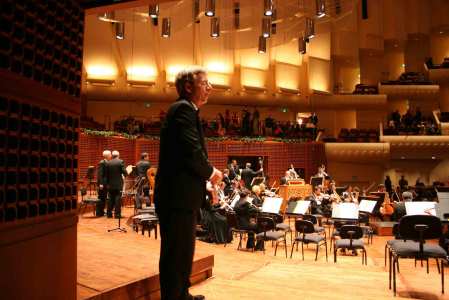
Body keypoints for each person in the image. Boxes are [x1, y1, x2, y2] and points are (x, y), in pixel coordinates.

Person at [154, 66, 222, 300]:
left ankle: (181, 294)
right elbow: (191, 153)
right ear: (189, 87)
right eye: (205, 83)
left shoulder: (187, 111)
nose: (210, 87)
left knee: (183, 252)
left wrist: (203, 184)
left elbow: (181, 161)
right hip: (176, 199)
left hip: (182, 196)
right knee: (175, 254)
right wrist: (212, 173)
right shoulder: (182, 109)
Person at [106, 150, 127, 218]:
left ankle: (109, 214)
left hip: (110, 184)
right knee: (118, 199)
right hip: (118, 184)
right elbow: (124, 172)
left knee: (110, 199)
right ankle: (117, 214)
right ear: (118, 155)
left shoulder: (108, 163)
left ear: (112, 155)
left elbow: (106, 174)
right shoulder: (120, 162)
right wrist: (125, 174)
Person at [96, 150, 111, 216]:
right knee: (101, 197)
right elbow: (100, 174)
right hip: (102, 184)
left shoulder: (107, 162)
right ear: (107, 155)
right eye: (110, 154)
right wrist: (101, 184)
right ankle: (99, 212)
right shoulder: (102, 162)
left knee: (104, 197)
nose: (111, 155)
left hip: (106, 183)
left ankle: (101, 211)